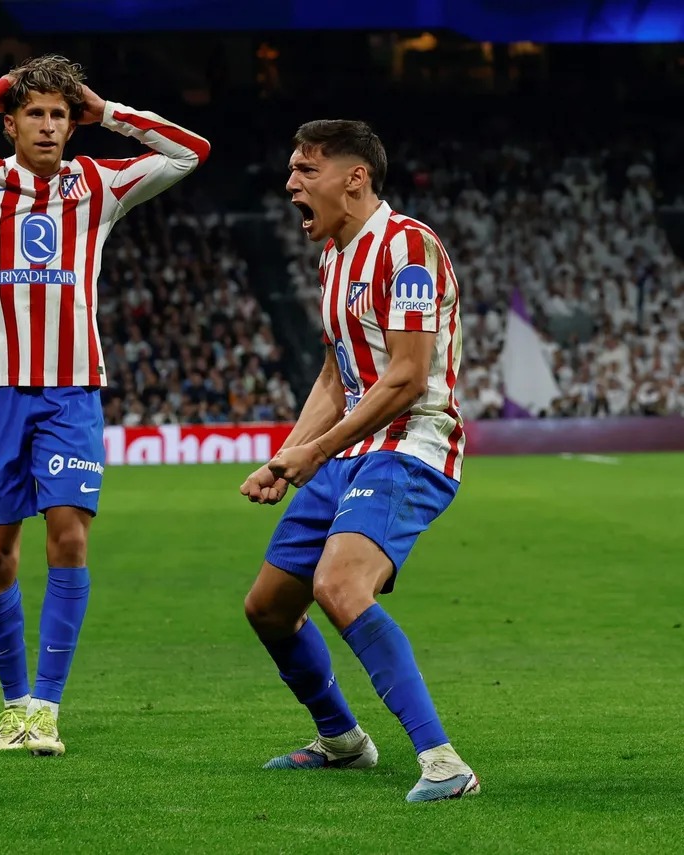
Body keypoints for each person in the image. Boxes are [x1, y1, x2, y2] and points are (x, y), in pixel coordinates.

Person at [0, 54, 208, 756]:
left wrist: (109, 110)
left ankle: (47, 708)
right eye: (35, 112)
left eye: (61, 114)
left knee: (69, 536)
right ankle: (13, 703)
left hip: (71, 389)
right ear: (10, 123)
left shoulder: (101, 184)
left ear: (74, 122)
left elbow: (192, 151)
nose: (50, 125)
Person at [239, 119, 476, 802]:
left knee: (340, 586)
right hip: (351, 450)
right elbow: (333, 376)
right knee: (267, 608)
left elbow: (405, 376)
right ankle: (343, 740)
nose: (290, 184)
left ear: (356, 176)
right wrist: (289, 456)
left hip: (411, 444)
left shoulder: (406, 248)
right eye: (291, 170)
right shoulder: (332, 258)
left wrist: (316, 449)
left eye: (305, 169)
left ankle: (444, 762)